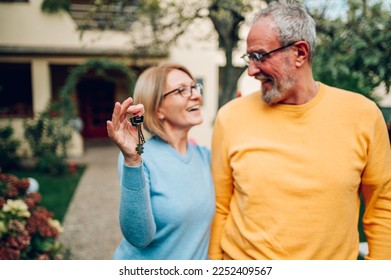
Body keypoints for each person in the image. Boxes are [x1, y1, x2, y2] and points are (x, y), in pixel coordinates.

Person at [208, 1, 391, 260]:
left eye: (259, 56)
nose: (251, 70)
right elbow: (219, 208)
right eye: (249, 58)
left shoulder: (363, 115)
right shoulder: (230, 117)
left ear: (300, 53)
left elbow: (383, 205)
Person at [107, 63, 215, 260]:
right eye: (181, 90)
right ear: (157, 110)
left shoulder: (204, 156)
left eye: (194, 87)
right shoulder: (139, 157)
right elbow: (139, 238)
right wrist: (132, 161)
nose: (196, 95)